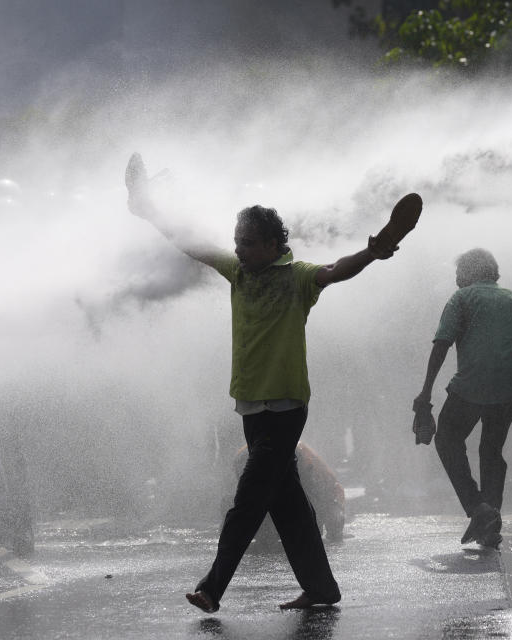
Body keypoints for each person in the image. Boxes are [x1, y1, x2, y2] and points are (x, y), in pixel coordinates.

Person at [125, 153, 400, 613]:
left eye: (249, 243)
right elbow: (192, 244)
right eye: (237, 242)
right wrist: (150, 209)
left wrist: (372, 253)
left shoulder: (297, 278)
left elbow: (336, 270)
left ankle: (212, 588)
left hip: (285, 408)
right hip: (252, 407)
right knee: (286, 503)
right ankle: (321, 589)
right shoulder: (238, 273)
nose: (239, 250)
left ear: (274, 244)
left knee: (248, 501)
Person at [413, 248, 512, 548]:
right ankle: (491, 520)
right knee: (491, 451)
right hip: (509, 388)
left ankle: (478, 509)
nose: (456, 279)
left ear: (470, 273)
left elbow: (441, 346)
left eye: (459, 273)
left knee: (446, 438)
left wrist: (426, 393)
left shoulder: (462, 299)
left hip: (471, 386)